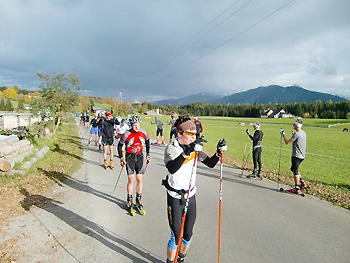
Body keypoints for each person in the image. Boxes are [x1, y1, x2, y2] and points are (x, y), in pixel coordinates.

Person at [162, 116, 227, 263]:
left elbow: (210, 163)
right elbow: (172, 168)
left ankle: (181, 258)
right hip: (175, 198)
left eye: (195, 134)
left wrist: (218, 152)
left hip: (190, 197)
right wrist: (187, 151)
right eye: (190, 134)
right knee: (176, 235)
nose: (193, 137)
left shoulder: (195, 149)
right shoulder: (172, 148)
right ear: (179, 133)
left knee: (188, 234)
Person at [118, 115, 151, 215]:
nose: (136, 127)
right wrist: (122, 157)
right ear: (131, 125)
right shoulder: (127, 134)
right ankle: (129, 199)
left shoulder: (144, 132)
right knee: (131, 179)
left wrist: (148, 154)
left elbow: (148, 142)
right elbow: (119, 146)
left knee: (139, 179)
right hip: (130, 158)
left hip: (140, 157)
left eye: (138, 125)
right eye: (134, 125)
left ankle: (138, 199)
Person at [281, 119, 307, 194]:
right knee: (293, 168)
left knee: (295, 171)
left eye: (294, 125)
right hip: (302, 156)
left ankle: (296, 187)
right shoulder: (303, 133)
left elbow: (287, 142)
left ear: (296, 126)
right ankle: (301, 182)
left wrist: (283, 135)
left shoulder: (296, 134)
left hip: (296, 155)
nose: (293, 126)